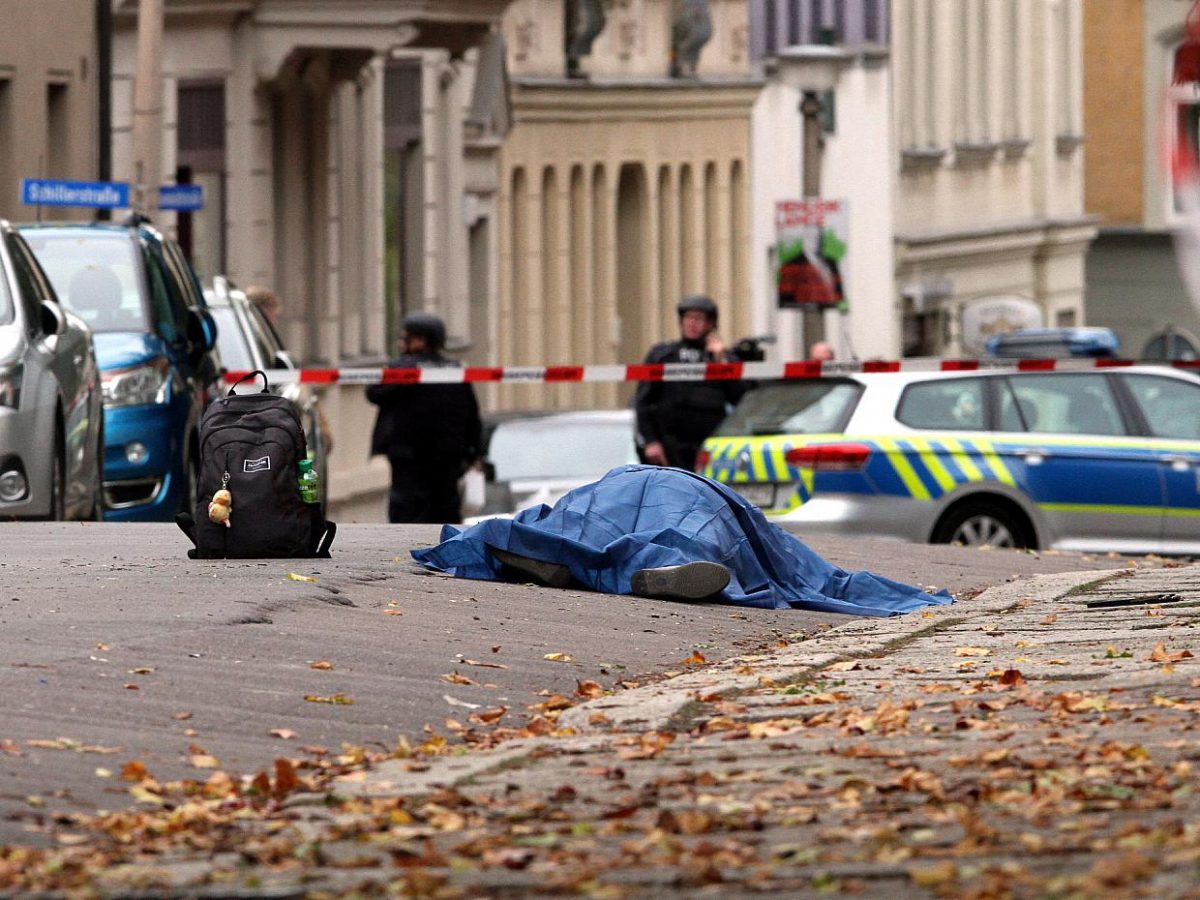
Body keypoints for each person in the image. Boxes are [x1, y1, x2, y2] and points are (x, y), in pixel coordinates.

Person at [412, 464, 953, 616]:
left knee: (591, 538)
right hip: (713, 499)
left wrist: (485, 539)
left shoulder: (576, 504)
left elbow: (538, 521)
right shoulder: (595, 493)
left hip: (654, 500)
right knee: (796, 566)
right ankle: (656, 566)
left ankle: (576, 561)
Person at [367, 312, 483, 524]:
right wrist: (476, 451)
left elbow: (374, 392)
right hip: (448, 456)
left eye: (405, 338)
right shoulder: (454, 370)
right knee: (445, 509)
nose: (401, 344)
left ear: (420, 340)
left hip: (408, 457)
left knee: (407, 510)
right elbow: (472, 414)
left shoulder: (404, 369)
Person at [635, 294, 746, 471]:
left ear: (711, 324)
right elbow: (643, 401)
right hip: (670, 445)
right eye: (688, 317)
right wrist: (651, 441)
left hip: (710, 446)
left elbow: (742, 400)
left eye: (698, 318)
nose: (692, 323)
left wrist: (721, 363)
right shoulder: (663, 355)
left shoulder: (724, 358)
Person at [245, 284, 335, 455]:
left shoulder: (262, 339)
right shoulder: (258, 338)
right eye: (274, 315)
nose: (276, 320)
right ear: (264, 312)